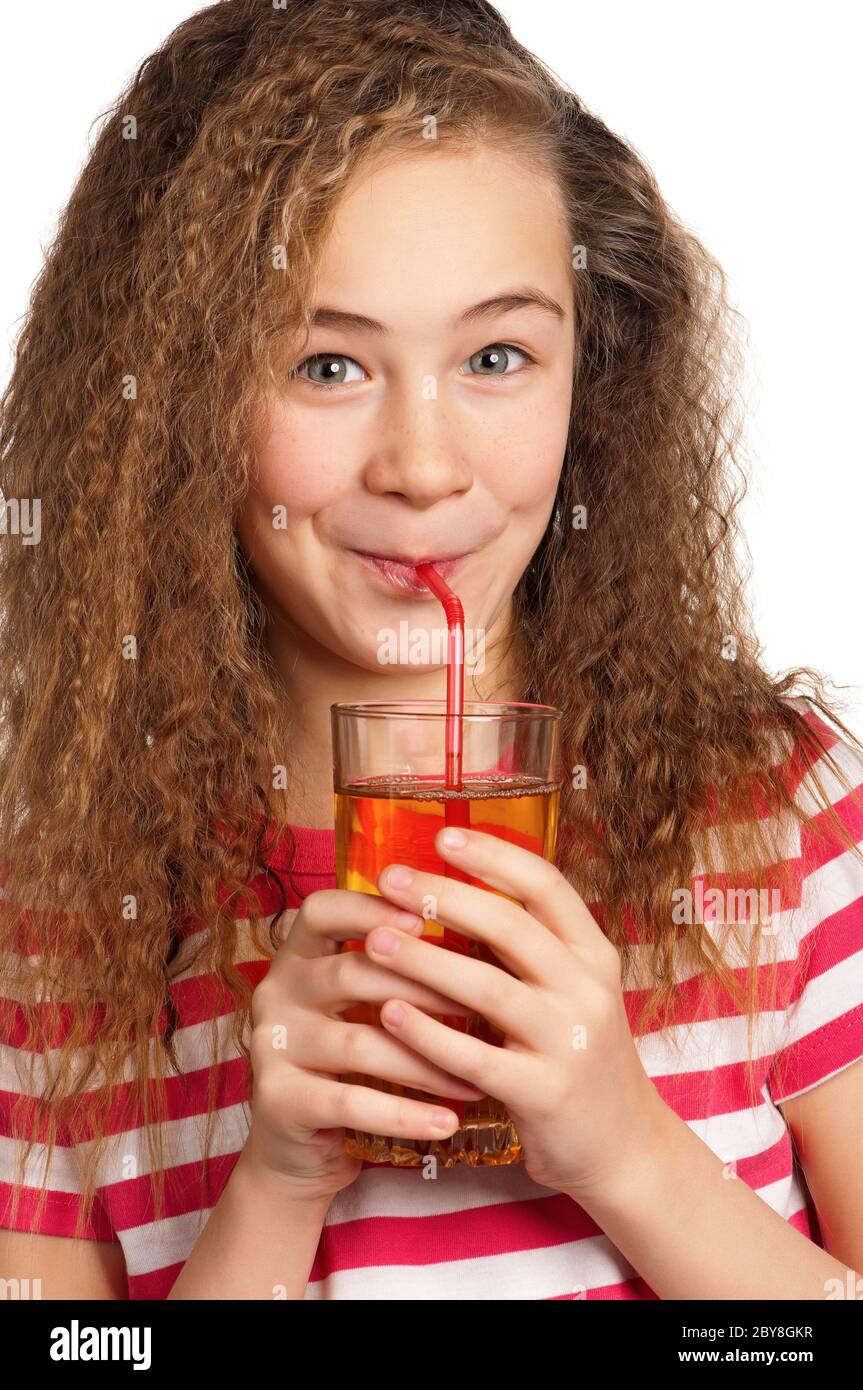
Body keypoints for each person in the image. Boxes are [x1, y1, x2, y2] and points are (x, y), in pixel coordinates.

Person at [1, 0, 861, 1301]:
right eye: (328, 365)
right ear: (175, 400)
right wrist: (275, 1187)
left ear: (596, 369)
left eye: (498, 355)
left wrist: (629, 1150)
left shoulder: (776, 820)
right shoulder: (61, 926)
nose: (423, 467)